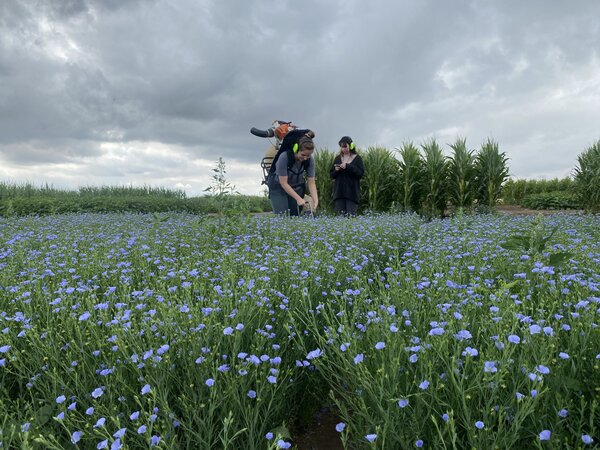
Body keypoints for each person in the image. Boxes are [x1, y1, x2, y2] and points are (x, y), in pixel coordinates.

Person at [269, 134, 319, 216]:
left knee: (295, 216)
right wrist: (299, 199)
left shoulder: (310, 160)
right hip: (279, 188)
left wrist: (315, 200)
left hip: (296, 188)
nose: (305, 158)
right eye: (303, 155)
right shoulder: (284, 157)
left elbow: (311, 182)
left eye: (308, 155)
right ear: (296, 149)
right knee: (282, 216)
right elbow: (283, 183)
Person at [329, 136, 364, 215]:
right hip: (339, 193)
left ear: (351, 146)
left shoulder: (358, 158)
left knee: (351, 217)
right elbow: (331, 174)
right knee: (340, 218)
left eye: (345, 147)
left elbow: (360, 174)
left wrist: (348, 166)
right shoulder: (337, 158)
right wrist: (336, 170)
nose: (343, 149)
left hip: (352, 194)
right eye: (342, 147)